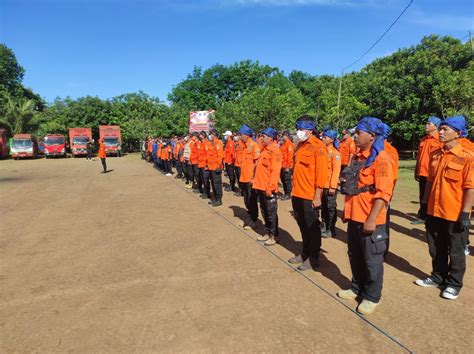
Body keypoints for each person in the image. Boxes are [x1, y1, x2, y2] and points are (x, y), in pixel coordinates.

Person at [336, 117, 394, 315]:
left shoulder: (382, 159)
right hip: (354, 215)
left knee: (372, 260)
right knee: (355, 255)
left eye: (359, 132)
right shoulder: (357, 157)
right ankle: (356, 287)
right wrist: (347, 210)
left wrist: (371, 219)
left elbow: (383, 193)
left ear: (372, 135)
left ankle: (372, 296)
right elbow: (353, 187)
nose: (355, 136)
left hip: (370, 219)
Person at [415, 115, 473, 300]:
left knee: (455, 251)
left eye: (445, 129)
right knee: (435, 247)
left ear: (458, 133)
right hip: (434, 210)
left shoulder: (467, 157)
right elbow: (430, 183)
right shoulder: (436, 154)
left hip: (454, 212)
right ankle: (438, 276)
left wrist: (465, 214)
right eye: (440, 128)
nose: (440, 132)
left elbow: (470, 188)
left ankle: (454, 283)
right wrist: (424, 205)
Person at [289, 116, 328, 271]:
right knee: (302, 225)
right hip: (297, 192)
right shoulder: (300, 145)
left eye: (300, 129)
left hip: (310, 195)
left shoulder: (319, 147)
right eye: (297, 128)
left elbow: (322, 174)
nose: (298, 132)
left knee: (312, 227)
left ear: (310, 130)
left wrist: (318, 196)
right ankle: (305, 253)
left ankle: (313, 258)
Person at [252, 128, 282, 246]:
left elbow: (275, 172)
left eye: (264, 136)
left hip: (268, 188)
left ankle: (274, 235)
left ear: (270, 138)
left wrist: (270, 188)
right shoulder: (264, 150)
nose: (262, 138)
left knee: (271, 213)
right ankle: (267, 232)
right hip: (260, 186)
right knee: (264, 211)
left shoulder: (275, 151)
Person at [412, 116, 442, 224]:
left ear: (436, 126)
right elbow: (419, 157)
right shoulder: (423, 140)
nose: (426, 125)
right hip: (422, 172)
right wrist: (416, 170)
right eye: (426, 123)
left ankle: (431, 217)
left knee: (432, 195)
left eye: (429, 124)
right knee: (422, 194)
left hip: (432, 173)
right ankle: (422, 216)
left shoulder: (440, 140)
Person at [238, 124, 261, 230]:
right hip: (243, 177)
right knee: (246, 199)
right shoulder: (243, 145)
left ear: (246, 135)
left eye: (241, 134)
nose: (239, 136)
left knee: (251, 200)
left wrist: (253, 178)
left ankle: (254, 220)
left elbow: (257, 163)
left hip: (250, 179)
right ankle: (250, 216)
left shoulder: (254, 145)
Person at [321, 129, 341, 238]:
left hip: (329, 186)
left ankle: (331, 229)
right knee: (323, 207)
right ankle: (324, 225)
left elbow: (336, 171)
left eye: (325, 137)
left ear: (332, 140)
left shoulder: (335, 153)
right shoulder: (322, 151)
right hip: (322, 185)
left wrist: (333, 186)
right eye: (323, 136)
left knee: (330, 207)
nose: (323, 138)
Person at [206, 129, 224, 206]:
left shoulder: (218, 143)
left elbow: (220, 156)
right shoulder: (211, 143)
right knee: (213, 183)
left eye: (211, 134)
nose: (210, 136)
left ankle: (219, 199)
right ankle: (215, 198)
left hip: (215, 167)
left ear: (214, 134)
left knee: (217, 183)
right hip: (210, 167)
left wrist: (218, 166)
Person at [279, 130, 294, 200]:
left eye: (283, 136)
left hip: (287, 166)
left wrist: (288, 166)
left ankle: (288, 194)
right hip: (282, 165)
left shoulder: (289, 144)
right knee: (283, 179)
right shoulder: (283, 144)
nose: (282, 137)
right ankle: (285, 193)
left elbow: (290, 156)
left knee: (287, 180)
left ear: (287, 136)